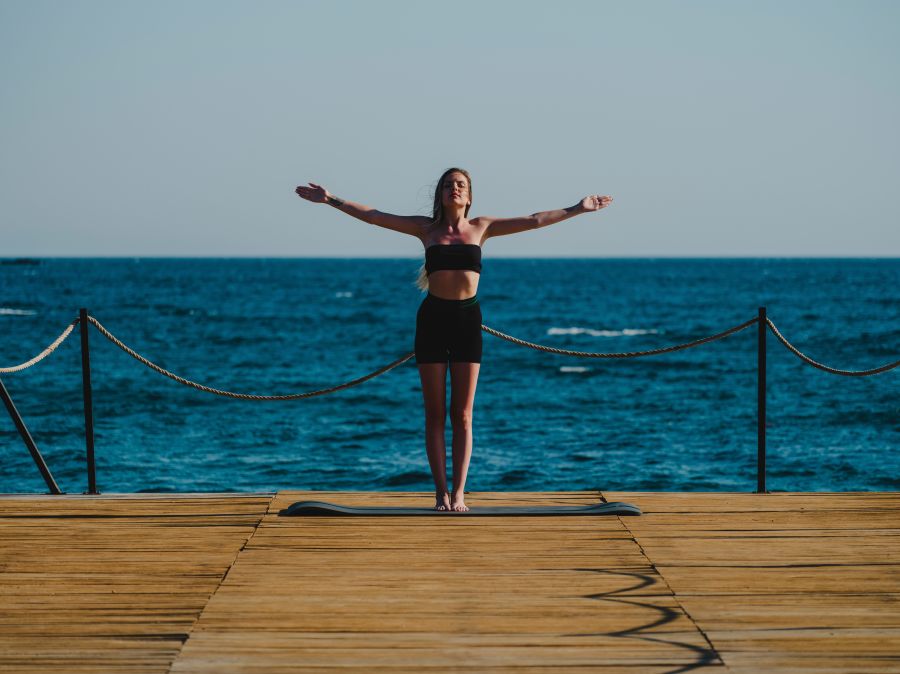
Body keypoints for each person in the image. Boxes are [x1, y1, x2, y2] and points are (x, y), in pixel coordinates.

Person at [295, 168, 612, 511]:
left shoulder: (482, 227)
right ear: (441, 195)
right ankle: (440, 494)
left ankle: (459, 493)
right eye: (448, 185)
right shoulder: (425, 229)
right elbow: (374, 217)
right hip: (431, 320)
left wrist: (578, 208)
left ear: (469, 195)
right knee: (434, 414)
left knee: (461, 415)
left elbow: (534, 220)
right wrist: (330, 200)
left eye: (460, 185)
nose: (454, 189)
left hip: (467, 321)